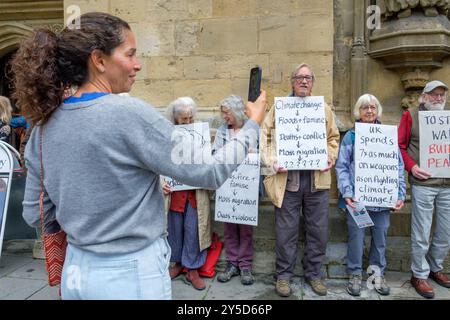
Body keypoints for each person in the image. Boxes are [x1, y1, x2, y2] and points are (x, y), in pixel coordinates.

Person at [11, 12, 266, 300]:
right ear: (99, 60)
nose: (137, 64)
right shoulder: (129, 115)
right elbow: (210, 171)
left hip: (75, 274)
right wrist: (252, 126)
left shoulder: (43, 127)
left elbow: (35, 214)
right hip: (130, 274)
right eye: (130, 54)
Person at [260, 63, 340, 297]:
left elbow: (333, 138)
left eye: (308, 78)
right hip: (288, 181)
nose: (304, 81)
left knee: (318, 231)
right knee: (286, 232)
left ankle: (314, 274)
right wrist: (272, 160)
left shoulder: (323, 109)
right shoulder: (279, 108)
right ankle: (284, 276)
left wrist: (329, 156)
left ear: (313, 82)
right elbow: (264, 137)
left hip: (317, 181)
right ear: (292, 81)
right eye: (299, 77)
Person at [335, 94, 406, 297]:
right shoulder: (351, 136)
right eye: (364, 107)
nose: (369, 111)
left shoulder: (387, 135)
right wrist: (347, 192)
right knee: (356, 238)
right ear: (358, 111)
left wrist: (399, 194)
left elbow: (397, 166)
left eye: (373, 107)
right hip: (357, 200)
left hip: (382, 200)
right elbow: (341, 167)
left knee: (380, 237)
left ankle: (376, 274)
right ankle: (355, 274)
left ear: (378, 111)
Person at [398, 80, 450, 299]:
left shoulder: (447, 118)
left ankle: (435, 268)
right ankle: (419, 274)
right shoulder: (410, 115)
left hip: (447, 184)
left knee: (445, 232)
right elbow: (399, 146)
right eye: (434, 94)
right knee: (421, 233)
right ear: (424, 96)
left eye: (442, 95)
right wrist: (412, 167)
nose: (438, 98)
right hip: (423, 184)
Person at [162, 97, 211, 291]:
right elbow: (159, 161)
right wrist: (161, 182)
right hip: (175, 191)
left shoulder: (200, 133)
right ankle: (178, 264)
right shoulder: (166, 133)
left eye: (190, 118)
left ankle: (192, 269)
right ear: (176, 119)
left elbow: (208, 159)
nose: (188, 122)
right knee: (174, 229)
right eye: (184, 119)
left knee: (194, 229)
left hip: (194, 192)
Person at [212, 95, 256, 286]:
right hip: (227, 188)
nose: (224, 117)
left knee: (245, 227)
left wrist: (255, 155)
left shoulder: (251, 129)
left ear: (237, 113)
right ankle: (231, 263)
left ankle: (245, 265)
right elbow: (215, 153)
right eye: (223, 113)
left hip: (247, 186)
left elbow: (260, 153)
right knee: (229, 228)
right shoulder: (223, 131)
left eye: (227, 113)